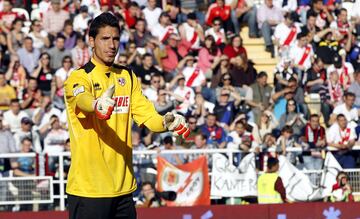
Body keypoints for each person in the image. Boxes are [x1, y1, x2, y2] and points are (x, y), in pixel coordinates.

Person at [64, 13, 189, 219]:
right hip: (89, 191)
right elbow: (81, 99)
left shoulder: (127, 76)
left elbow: (149, 117)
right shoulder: (78, 77)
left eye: (115, 39)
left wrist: (167, 121)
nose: (112, 45)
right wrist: (96, 104)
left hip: (123, 192)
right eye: (105, 39)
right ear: (91, 41)